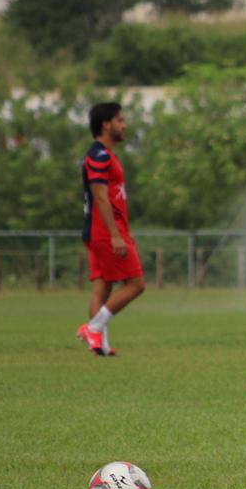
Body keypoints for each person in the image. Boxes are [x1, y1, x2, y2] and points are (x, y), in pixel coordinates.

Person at [76, 103, 145, 357]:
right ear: (106, 124)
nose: (124, 125)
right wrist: (116, 235)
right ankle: (93, 328)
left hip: (104, 230)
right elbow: (100, 197)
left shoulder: (105, 155)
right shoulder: (99, 156)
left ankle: (99, 346)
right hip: (104, 231)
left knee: (103, 288)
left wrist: (123, 230)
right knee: (136, 284)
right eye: (120, 120)